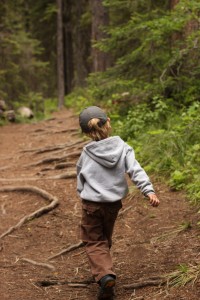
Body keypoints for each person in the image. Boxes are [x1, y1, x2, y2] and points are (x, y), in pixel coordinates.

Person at [76, 106, 160, 299]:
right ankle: (103, 270)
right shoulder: (123, 147)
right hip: (113, 204)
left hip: (91, 204)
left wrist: (82, 193)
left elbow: (80, 178)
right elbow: (135, 170)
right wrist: (148, 190)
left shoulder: (86, 153)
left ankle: (105, 275)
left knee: (93, 240)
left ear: (85, 133)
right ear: (108, 122)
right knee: (104, 236)